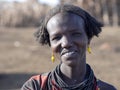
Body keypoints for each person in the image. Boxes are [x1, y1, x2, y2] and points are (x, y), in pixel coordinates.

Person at [21, 4, 116, 90]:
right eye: (57, 37)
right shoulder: (35, 86)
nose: (66, 43)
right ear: (51, 45)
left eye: (75, 34)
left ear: (88, 38)